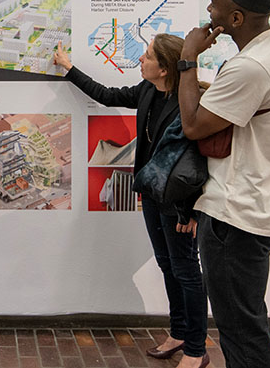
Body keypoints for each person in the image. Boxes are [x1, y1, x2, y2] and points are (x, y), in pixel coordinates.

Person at [176, 0, 270, 368]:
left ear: (236, 17)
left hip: (236, 216)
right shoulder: (269, 52)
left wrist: (187, 58)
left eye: (216, 1)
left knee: (241, 328)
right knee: (243, 321)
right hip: (249, 209)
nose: (209, 8)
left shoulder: (250, 67)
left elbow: (194, 125)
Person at [53, 35, 209, 368]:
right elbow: (108, 96)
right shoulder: (149, 90)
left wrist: (193, 209)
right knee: (168, 264)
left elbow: (201, 160)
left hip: (179, 200)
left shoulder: (190, 102)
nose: (141, 58)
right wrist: (69, 68)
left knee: (186, 270)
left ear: (164, 68)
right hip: (152, 192)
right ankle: (179, 332)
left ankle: (196, 349)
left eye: (148, 55)